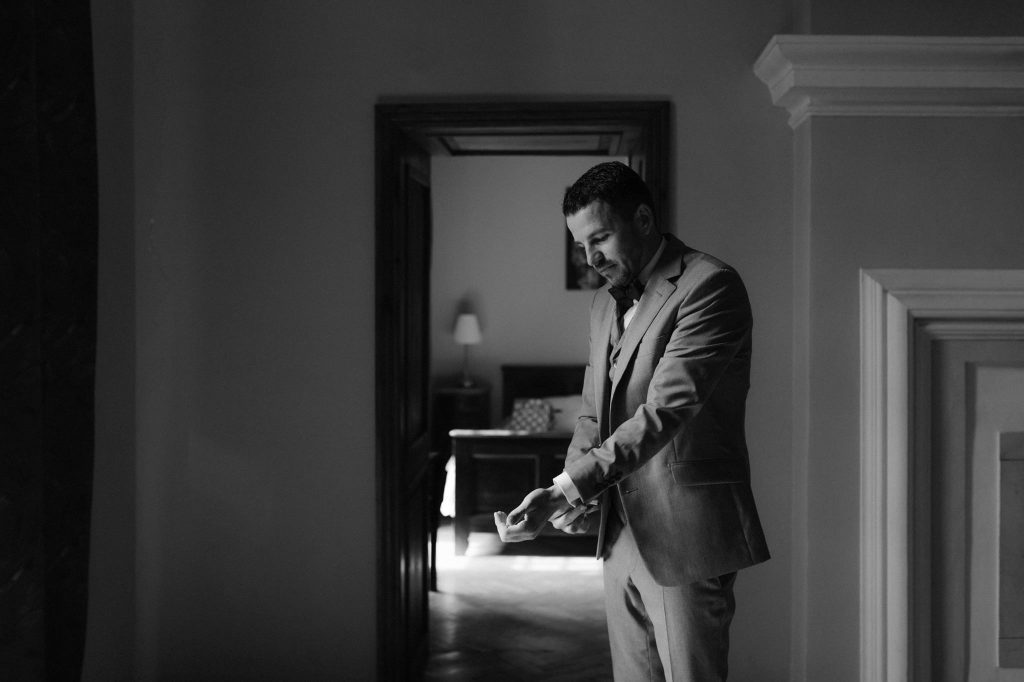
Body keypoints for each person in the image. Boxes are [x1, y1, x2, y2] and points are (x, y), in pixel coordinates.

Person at [494, 161, 769, 681]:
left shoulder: (711, 285)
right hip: (618, 535)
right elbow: (593, 412)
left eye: (600, 238)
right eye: (580, 245)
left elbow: (665, 411)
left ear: (643, 218)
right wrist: (574, 492)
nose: (591, 257)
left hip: (686, 533)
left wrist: (566, 489)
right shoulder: (602, 304)